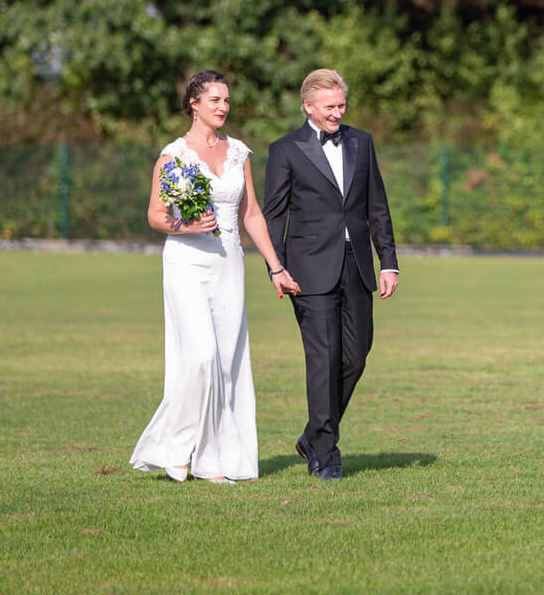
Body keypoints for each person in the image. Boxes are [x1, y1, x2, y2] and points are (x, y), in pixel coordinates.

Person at [131, 70, 296, 483]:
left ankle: (213, 460)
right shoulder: (173, 156)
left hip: (229, 264)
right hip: (186, 262)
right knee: (202, 355)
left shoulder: (239, 152)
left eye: (226, 101)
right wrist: (185, 227)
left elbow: (251, 214)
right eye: (215, 100)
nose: (223, 107)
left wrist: (275, 267)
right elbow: (155, 214)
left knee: (226, 364)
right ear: (194, 104)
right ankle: (176, 449)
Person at [262, 68, 400, 480]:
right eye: (329, 107)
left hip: (356, 266)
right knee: (323, 359)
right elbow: (273, 216)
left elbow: (378, 206)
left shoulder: (362, 142)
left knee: (355, 356)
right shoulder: (285, 150)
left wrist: (388, 260)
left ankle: (312, 435)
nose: (337, 113)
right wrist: (276, 268)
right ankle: (325, 454)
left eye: (341, 105)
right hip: (306, 271)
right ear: (308, 107)